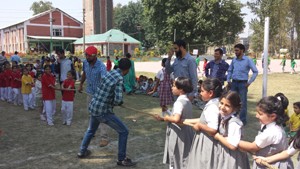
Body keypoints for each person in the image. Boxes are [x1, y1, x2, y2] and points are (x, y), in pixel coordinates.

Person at [77, 58, 137, 167]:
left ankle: (82, 151)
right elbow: (118, 99)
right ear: (127, 70)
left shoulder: (111, 72)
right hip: (103, 111)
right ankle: (121, 159)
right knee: (124, 131)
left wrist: (112, 100)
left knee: (91, 130)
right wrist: (118, 102)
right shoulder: (119, 78)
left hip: (94, 106)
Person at [238, 95, 293, 169]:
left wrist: (232, 140)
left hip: (271, 165)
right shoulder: (273, 126)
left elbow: (252, 147)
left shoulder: (271, 132)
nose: (256, 116)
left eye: (260, 114)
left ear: (273, 116)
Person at [153, 77, 194, 169]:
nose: (171, 87)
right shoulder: (187, 100)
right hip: (187, 133)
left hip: (178, 134)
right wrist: (168, 111)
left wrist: (164, 118)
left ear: (181, 89)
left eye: (174, 86)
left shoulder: (179, 102)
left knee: (176, 158)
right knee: (184, 157)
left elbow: (176, 119)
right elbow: (179, 116)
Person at [182, 78, 223, 169]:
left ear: (210, 93)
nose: (200, 93)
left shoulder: (213, 107)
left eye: (202, 91)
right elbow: (203, 119)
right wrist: (184, 121)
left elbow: (212, 129)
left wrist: (200, 126)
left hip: (208, 142)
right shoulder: (215, 103)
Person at [78, 46, 109, 147]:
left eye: (88, 55)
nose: (86, 56)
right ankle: (91, 133)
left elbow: (105, 80)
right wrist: (81, 84)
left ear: (94, 56)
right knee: (91, 114)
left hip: (99, 95)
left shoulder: (101, 67)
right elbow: (85, 73)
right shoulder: (85, 62)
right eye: (86, 54)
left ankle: (104, 137)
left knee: (101, 116)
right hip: (89, 93)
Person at [213, 91, 250, 169]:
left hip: (232, 157)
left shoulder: (234, 123)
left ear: (235, 108)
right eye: (221, 103)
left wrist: (218, 136)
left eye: (227, 105)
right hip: (225, 153)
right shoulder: (223, 117)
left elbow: (233, 145)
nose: (222, 107)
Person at [227, 43, 258, 125]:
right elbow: (230, 70)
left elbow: (255, 71)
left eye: (237, 50)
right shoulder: (234, 60)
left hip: (242, 84)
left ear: (242, 50)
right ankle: (232, 118)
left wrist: (249, 82)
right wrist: (228, 80)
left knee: (242, 103)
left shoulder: (248, 60)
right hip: (233, 83)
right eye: (235, 50)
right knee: (232, 101)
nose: (235, 52)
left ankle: (242, 120)